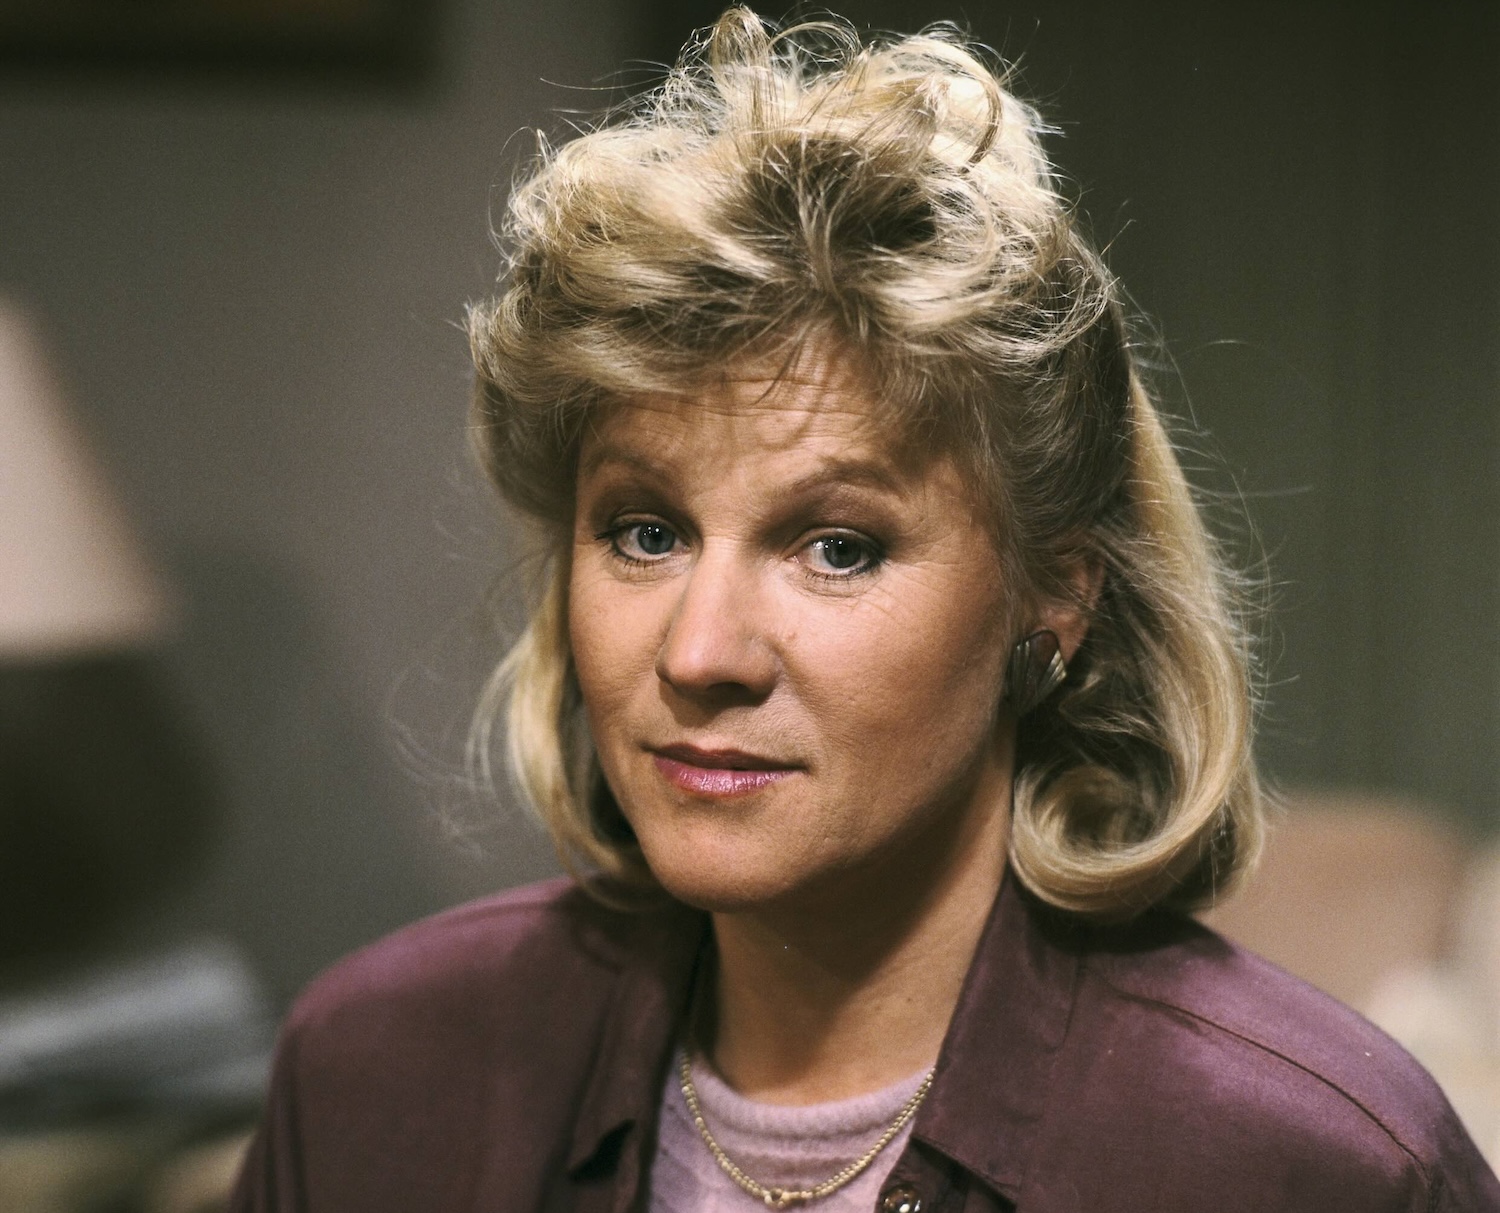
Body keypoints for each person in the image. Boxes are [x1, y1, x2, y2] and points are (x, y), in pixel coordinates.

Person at [231, 9, 1500, 1211]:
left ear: (1056, 594)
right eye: (646, 532)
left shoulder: (1312, 1166)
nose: (700, 652)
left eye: (837, 548)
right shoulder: (371, 1081)